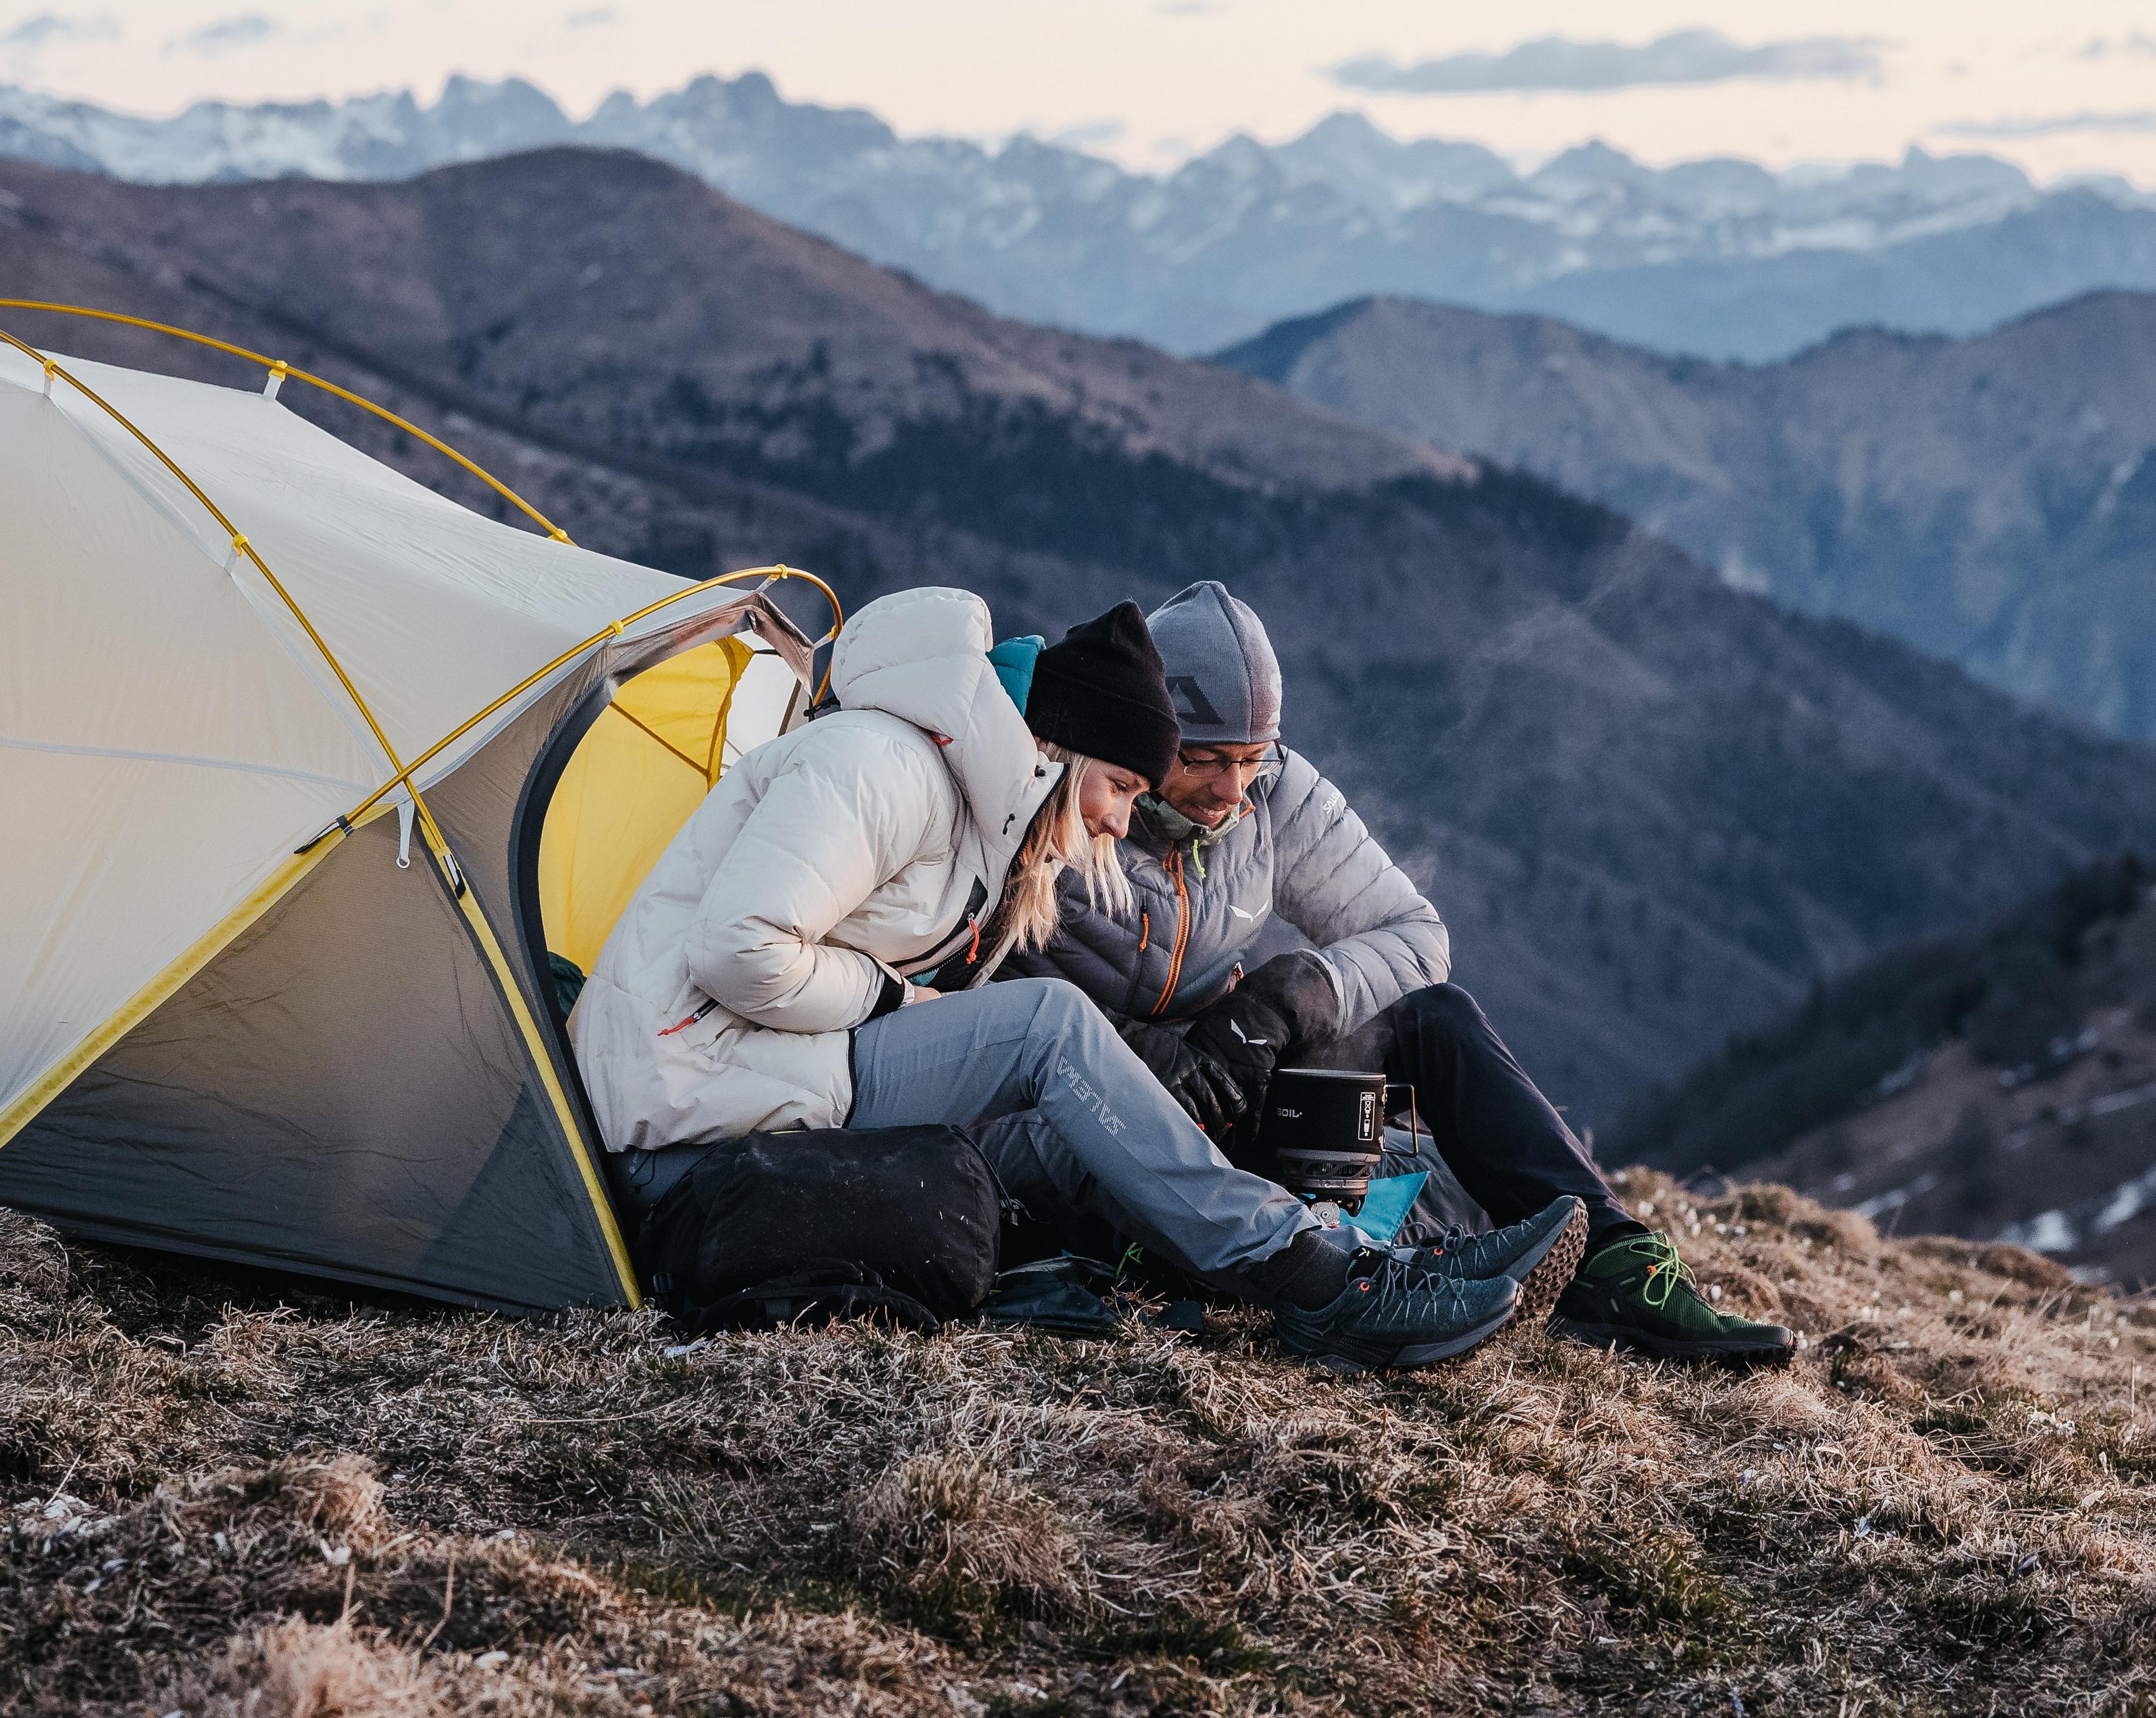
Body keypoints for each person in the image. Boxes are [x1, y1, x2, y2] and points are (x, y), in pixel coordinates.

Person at [569, 587, 1560, 1370]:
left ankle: (1365, 1257)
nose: (1124, 822)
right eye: (1123, 785)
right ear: (1062, 748)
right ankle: (1315, 1277)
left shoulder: (963, 802)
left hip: (757, 1077)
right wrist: (887, 998)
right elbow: (740, 951)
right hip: (688, 1102)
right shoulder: (881, 766)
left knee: (1066, 1097)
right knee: (1046, 1025)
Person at [1016, 579, 1794, 1370]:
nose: (1230, 791)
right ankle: (1363, 1267)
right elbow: (971, 977)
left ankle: (1619, 1269)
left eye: (1251, 759)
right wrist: (1133, 1047)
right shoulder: (1064, 793)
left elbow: (1417, 936)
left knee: (1437, 1020)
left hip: (1230, 1082)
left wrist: (1294, 995)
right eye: (1205, 761)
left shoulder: (1273, 795)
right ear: (1141, 735)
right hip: (1094, 1109)